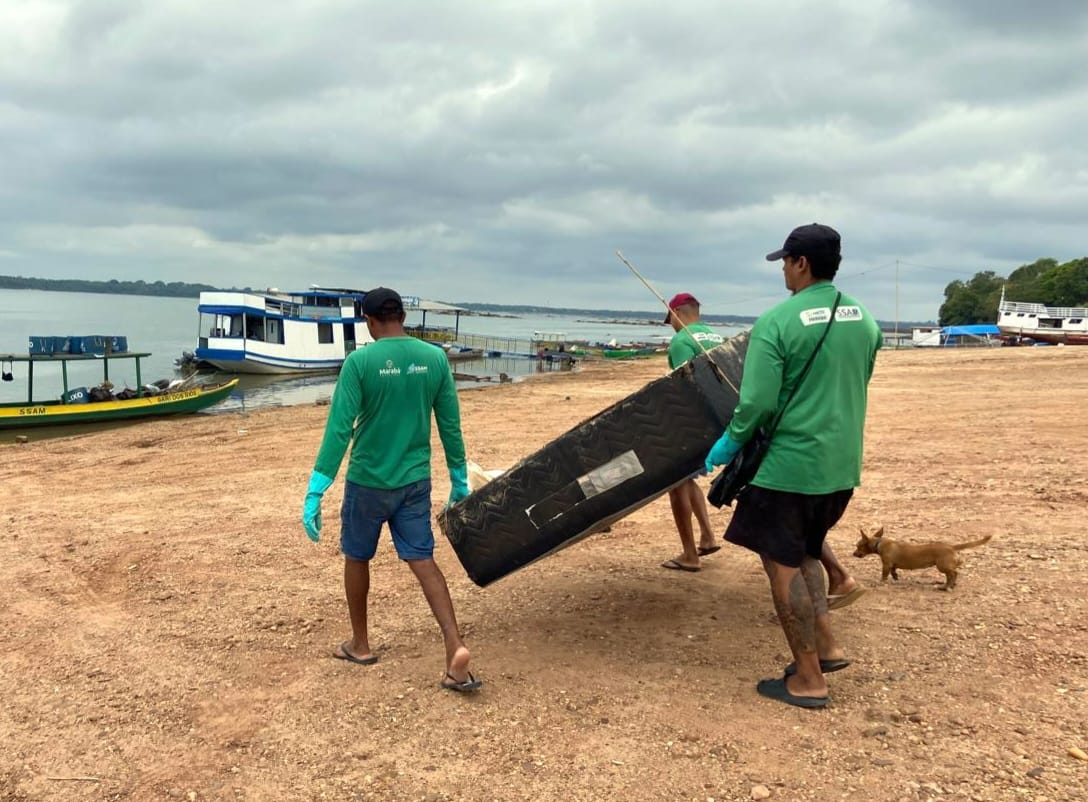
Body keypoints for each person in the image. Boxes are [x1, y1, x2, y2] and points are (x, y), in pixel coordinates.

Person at [705, 224, 882, 708]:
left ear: (801, 263)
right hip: (840, 466)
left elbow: (757, 403)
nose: (783, 269)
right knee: (805, 551)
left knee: (782, 568)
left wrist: (728, 444)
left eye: (785, 261)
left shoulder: (778, 321)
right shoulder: (863, 318)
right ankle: (826, 647)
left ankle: (807, 680)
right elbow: (859, 378)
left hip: (788, 467)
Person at [302, 287, 482, 693]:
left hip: (367, 481)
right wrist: (458, 478)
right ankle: (454, 647)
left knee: (357, 557)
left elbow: (339, 429)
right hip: (414, 482)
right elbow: (449, 423)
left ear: (368, 321)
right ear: (403, 315)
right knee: (423, 559)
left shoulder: (359, 362)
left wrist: (318, 487)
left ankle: (360, 644)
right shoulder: (434, 358)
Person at [660, 292, 725, 572]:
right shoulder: (717, 337)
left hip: (694, 421)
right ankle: (708, 537)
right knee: (688, 479)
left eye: (670, 320)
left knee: (675, 483)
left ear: (677, 314)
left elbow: (683, 386)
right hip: (720, 419)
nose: (671, 325)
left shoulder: (681, 340)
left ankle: (689, 555)